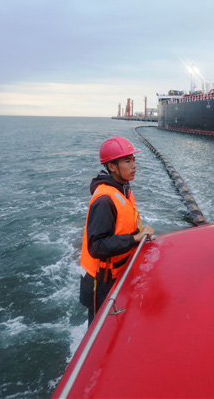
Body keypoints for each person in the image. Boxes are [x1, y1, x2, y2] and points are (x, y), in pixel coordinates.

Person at [79, 136, 154, 325]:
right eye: (127, 161)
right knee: (100, 329)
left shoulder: (122, 188)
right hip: (100, 281)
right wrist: (134, 238)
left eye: (134, 160)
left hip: (117, 271)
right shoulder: (105, 200)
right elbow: (96, 246)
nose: (134, 165)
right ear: (112, 167)